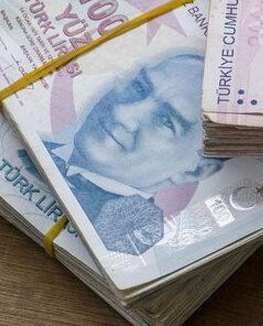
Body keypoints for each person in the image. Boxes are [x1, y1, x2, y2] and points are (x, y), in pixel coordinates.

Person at [45, 51, 224, 254]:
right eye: (139, 87)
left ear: (196, 170)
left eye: (166, 121)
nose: (121, 113)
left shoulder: (128, 241)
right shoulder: (35, 146)